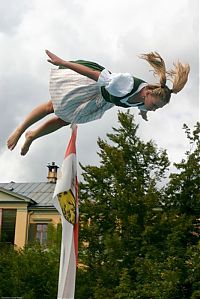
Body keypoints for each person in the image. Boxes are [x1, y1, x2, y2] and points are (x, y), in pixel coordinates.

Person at [7, 50, 190, 156]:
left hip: (100, 100)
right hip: (91, 84)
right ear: (148, 92)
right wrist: (64, 62)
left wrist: (143, 111)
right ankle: (20, 129)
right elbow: (93, 75)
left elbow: (142, 106)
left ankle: (32, 136)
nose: (154, 110)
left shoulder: (145, 101)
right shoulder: (124, 83)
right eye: (155, 106)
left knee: (65, 120)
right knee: (51, 107)